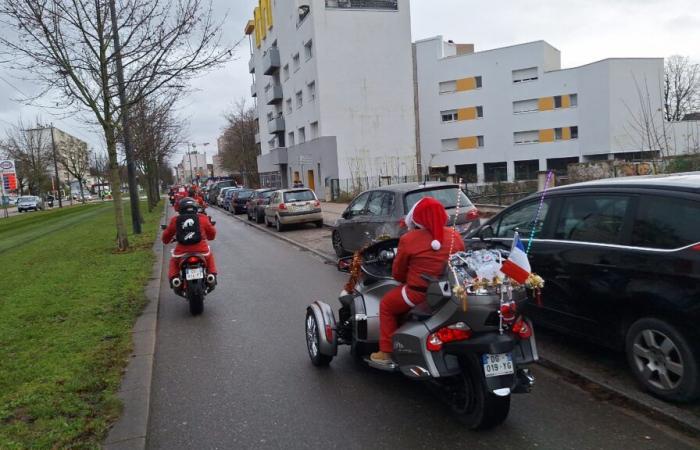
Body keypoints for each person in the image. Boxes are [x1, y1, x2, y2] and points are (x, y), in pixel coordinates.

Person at [370, 197, 465, 364]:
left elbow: (398, 274)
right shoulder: (455, 236)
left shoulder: (409, 239)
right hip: (449, 293)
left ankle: (386, 351)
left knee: (386, 305)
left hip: (418, 294)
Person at [162, 197, 218, 285]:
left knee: (174, 261)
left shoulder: (175, 220)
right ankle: (211, 275)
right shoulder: (203, 218)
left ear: (180, 209)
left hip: (181, 253)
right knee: (209, 256)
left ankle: (175, 279)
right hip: (202, 251)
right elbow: (212, 233)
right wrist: (209, 237)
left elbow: (166, 237)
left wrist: (166, 240)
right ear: (195, 208)